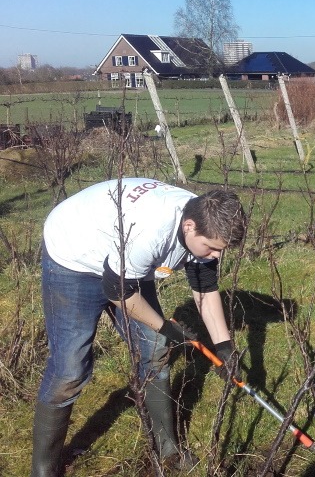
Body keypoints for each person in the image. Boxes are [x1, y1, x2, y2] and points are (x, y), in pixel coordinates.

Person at [32, 178, 247, 476]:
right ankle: (44, 466)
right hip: (74, 256)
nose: (216, 256)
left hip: (122, 260)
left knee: (155, 350)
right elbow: (118, 291)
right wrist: (167, 328)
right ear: (189, 227)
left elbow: (205, 287)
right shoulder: (152, 232)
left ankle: (167, 448)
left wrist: (224, 346)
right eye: (211, 249)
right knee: (69, 370)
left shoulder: (205, 221)